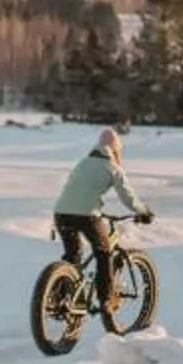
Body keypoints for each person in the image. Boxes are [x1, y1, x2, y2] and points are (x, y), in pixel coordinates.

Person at [53, 126, 152, 303]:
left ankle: (60, 295)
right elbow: (128, 197)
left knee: (73, 255)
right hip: (87, 215)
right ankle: (106, 299)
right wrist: (143, 211)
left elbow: (76, 189)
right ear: (116, 149)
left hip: (61, 213)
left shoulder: (82, 162)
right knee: (104, 252)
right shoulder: (113, 168)